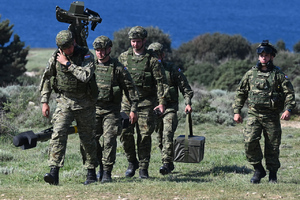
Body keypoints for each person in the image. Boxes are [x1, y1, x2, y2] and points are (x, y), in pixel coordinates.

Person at [39, 30, 99, 185]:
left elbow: (85, 76)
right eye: (65, 48)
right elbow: (46, 78)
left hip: (85, 103)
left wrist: (67, 63)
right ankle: (54, 172)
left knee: (87, 138)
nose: (69, 50)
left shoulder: (86, 55)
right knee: (58, 133)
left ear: (74, 42)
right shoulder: (55, 56)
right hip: (65, 101)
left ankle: (91, 173)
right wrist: (44, 101)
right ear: (60, 47)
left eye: (70, 46)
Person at [233, 40, 296, 184]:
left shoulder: (278, 75)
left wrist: (288, 109)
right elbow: (241, 92)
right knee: (249, 142)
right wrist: (237, 111)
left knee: (272, 146)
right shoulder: (250, 74)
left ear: (272, 57)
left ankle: (272, 174)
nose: (263, 57)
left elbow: (289, 94)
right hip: (254, 114)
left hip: (271, 116)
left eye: (266, 55)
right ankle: (258, 169)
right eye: (261, 55)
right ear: (258, 56)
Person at [81, 35, 139, 183]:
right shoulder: (90, 66)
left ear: (109, 49)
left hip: (111, 111)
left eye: (102, 50)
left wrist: (133, 109)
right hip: (93, 110)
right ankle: (92, 171)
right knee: (89, 141)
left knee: (109, 140)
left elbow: (130, 89)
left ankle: (106, 172)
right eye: (97, 50)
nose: (99, 53)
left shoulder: (118, 68)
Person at [118, 26, 169, 179]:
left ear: (144, 41)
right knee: (125, 133)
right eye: (133, 41)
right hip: (127, 103)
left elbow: (161, 82)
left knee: (145, 135)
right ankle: (132, 162)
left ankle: (143, 168)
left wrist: (162, 102)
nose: (135, 44)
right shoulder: (123, 57)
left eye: (138, 41)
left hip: (146, 103)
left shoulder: (152, 60)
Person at [148, 42, 194, 175]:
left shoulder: (172, 70)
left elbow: (186, 89)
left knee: (167, 134)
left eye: (157, 55)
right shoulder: (148, 72)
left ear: (163, 54)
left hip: (170, 108)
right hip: (155, 109)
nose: (155, 58)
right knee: (160, 138)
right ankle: (169, 161)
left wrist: (188, 103)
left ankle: (166, 164)